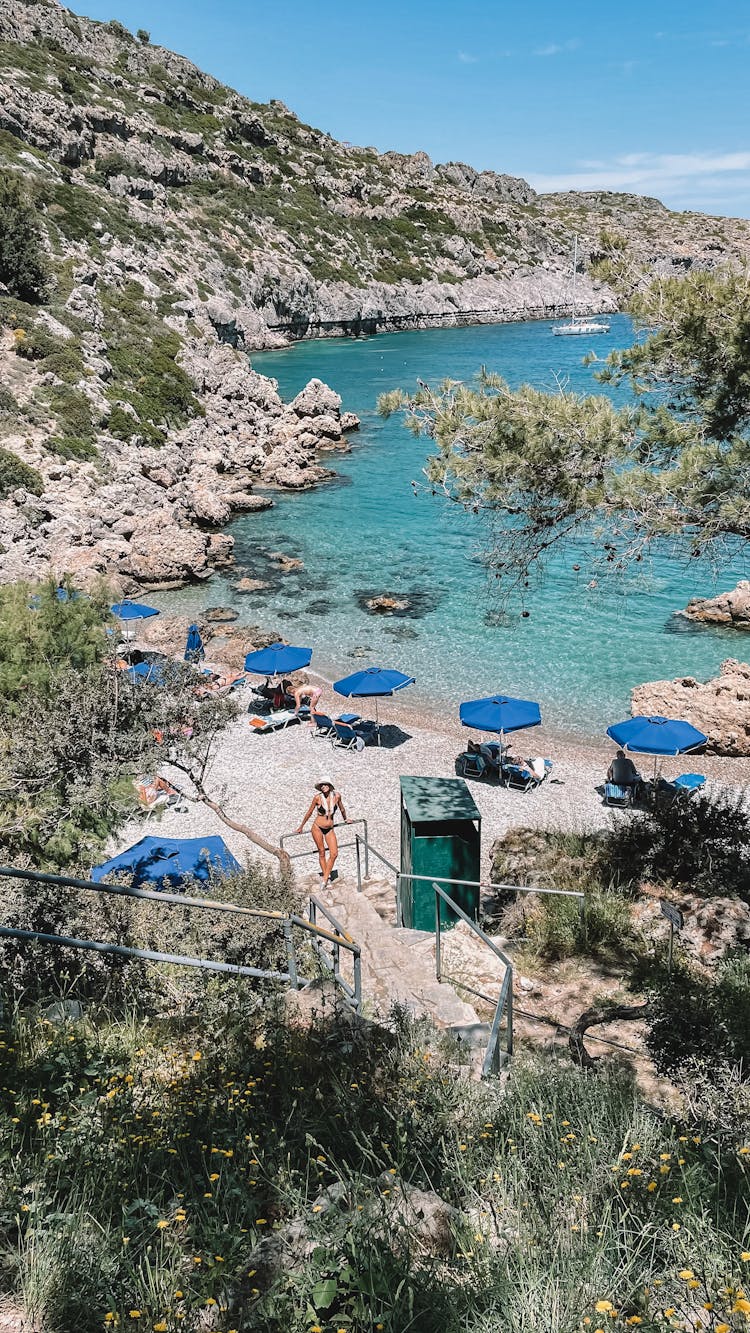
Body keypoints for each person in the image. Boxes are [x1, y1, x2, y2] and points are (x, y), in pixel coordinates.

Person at [296, 780, 348, 887]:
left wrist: (346, 819)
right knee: (322, 852)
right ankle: (326, 878)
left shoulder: (337, 796)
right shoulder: (317, 798)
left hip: (329, 828)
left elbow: (342, 809)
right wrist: (301, 826)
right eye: (321, 786)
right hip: (317, 827)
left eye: (325, 785)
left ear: (330, 786)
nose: (323, 787)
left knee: (334, 853)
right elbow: (309, 812)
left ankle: (324, 879)